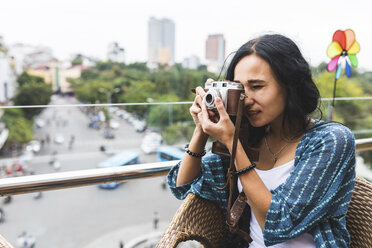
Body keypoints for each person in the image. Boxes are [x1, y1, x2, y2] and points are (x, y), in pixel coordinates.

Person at [167, 34, 355, 248]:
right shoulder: (249, 139)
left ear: (289, 85)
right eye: (240, 89)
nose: (246, 99)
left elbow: (279, 224)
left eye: (256, 86)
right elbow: (183, 185)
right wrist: (202, 127)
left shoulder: (329, 140)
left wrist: (232, 143)